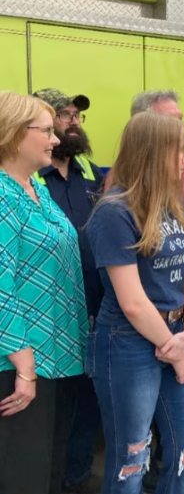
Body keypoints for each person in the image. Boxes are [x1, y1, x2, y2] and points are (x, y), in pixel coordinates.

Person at [85, 111, 184, 494]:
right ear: (154, 153)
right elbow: (133, 302)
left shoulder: (173, 205)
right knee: (132, 459)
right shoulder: (114, 211)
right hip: (128, 339)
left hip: (176, 333)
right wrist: (178, 352)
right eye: (181, 150)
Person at [0, 91, 87, 494]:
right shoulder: (2, 195)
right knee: (23, 476)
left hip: (58, 356)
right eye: (47, 131)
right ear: (14, 134)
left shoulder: (36, 187)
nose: (56, 140)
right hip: (20, 366)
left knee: (49, 471)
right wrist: (24, 367)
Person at [30, 89, 106, 494]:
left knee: (89, 396)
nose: (72, 122)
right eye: (62, 115)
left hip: (96, 304)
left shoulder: (92, 173)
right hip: (50, 312)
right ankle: (51, 478)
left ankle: (77, 475)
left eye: (76, 115)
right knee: (52, 405)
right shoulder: (29, 181)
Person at [130, 90, 184, 207]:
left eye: (180, 119)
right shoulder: (125, 181)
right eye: (171, 120)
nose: (180, 126)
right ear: (145, 125)